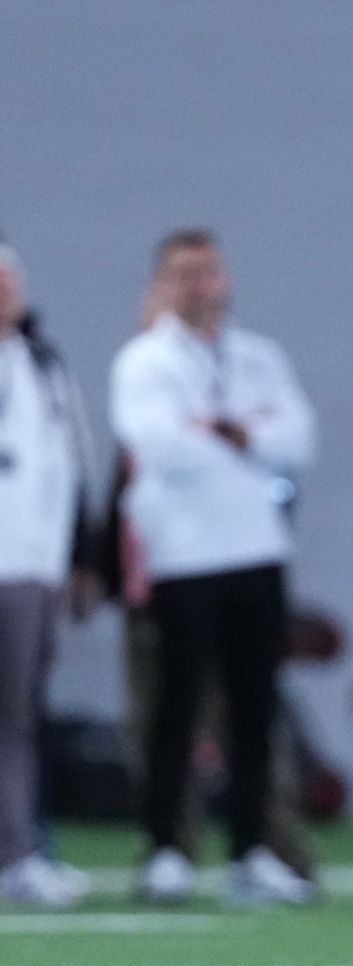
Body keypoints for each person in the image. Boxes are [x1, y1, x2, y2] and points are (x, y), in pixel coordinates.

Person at [110, 229, 316, 906]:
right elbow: (161, 445)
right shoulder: (144, 362)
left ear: (225, 279)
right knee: (176, 711)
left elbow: (299, 439)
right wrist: (247, 437)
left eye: (209, 272)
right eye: (185, 274)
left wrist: (231, 431)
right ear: (164, 283)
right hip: (183, 558)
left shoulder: (259, 357)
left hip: (256, 553)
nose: (201, 285)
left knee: (256, 713)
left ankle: (252, 850)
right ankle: (168, 848)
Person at [0, 241, 96, 907]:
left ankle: (18, 850)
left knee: (19, 717)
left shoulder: (42, 365)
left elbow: (71, 468)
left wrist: (74, 561)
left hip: (28, 568)